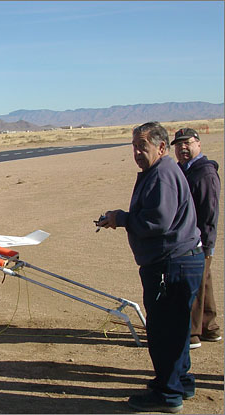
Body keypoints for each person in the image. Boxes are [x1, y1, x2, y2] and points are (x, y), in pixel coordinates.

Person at [98, 121, 204, 413]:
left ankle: (168, 394)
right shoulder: (158, 172)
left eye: (142, 147)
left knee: (164, 332)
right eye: (133, 147)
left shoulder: (163, 175)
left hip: (172, 265)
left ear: (160, 147)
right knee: (176, 328)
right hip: (175, 262)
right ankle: (180, 381)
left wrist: (122, 218)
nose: (136, 153)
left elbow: (158, 222)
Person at [171, 127, 221, 349]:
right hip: (190, 236)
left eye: (187, 143)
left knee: (194, 284)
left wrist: (207, 244)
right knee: (204, 281)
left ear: (198, 144)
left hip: (198, 239)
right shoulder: (184, 170)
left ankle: (191, 333)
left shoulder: (205, 172)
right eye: (179, 144)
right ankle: (210, 328)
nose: (183, 148)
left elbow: (209, 211)